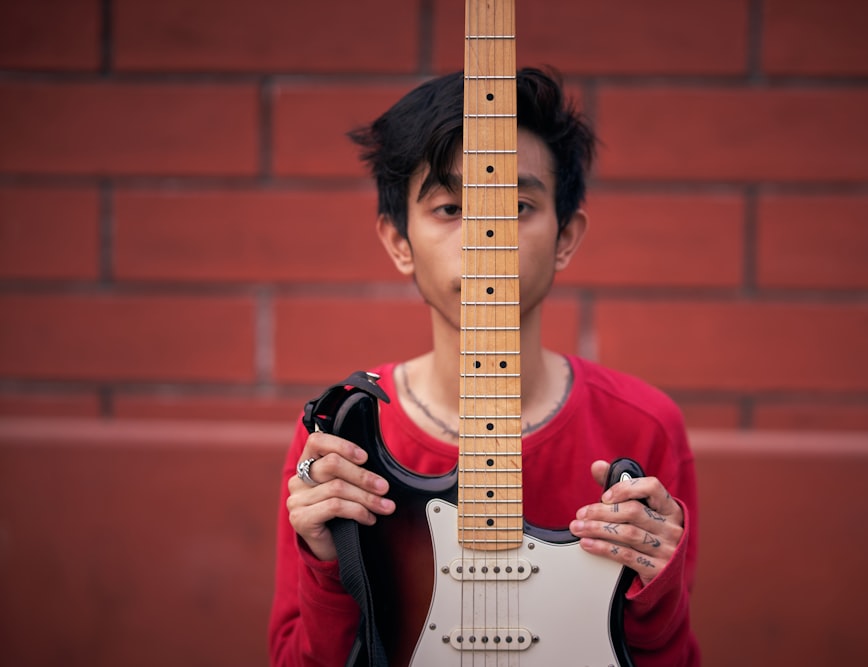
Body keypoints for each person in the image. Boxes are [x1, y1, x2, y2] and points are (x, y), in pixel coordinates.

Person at [268, 67, 699, 666]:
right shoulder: (344, 437)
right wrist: (329, 564)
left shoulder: (645, 425)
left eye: (518, 205)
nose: (486, 237)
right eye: (449, 207)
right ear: (399, 242)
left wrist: (657, 591)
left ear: (566, 237)